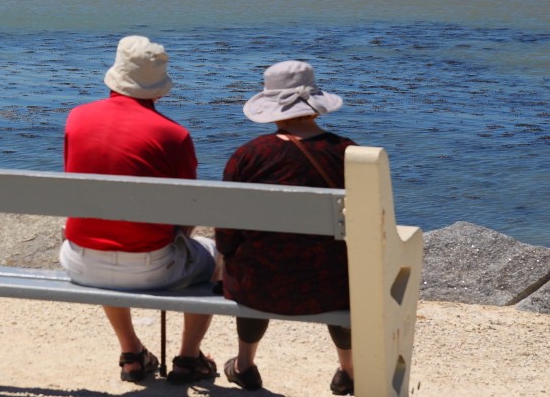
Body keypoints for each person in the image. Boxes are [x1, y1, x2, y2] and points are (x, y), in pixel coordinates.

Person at [59, 35, 219, 385]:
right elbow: (188, 210)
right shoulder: (173, 135)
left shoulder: (77, 118)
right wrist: (180, 237)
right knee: (215, 258)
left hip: (80, 260)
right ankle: (189, 358)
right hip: (149, 267)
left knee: (106, 237)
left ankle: (132, 352)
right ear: (158, 88)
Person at [215, 60, 356, 395]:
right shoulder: (350, 153)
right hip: (331, 284)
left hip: (259, 283)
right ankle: (349, 370)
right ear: (315, 107)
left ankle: (244, 365)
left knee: (252, 256)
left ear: (272, 107)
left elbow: (227, 229)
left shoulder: (249, 155)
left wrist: (227, 256)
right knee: (340, 266)